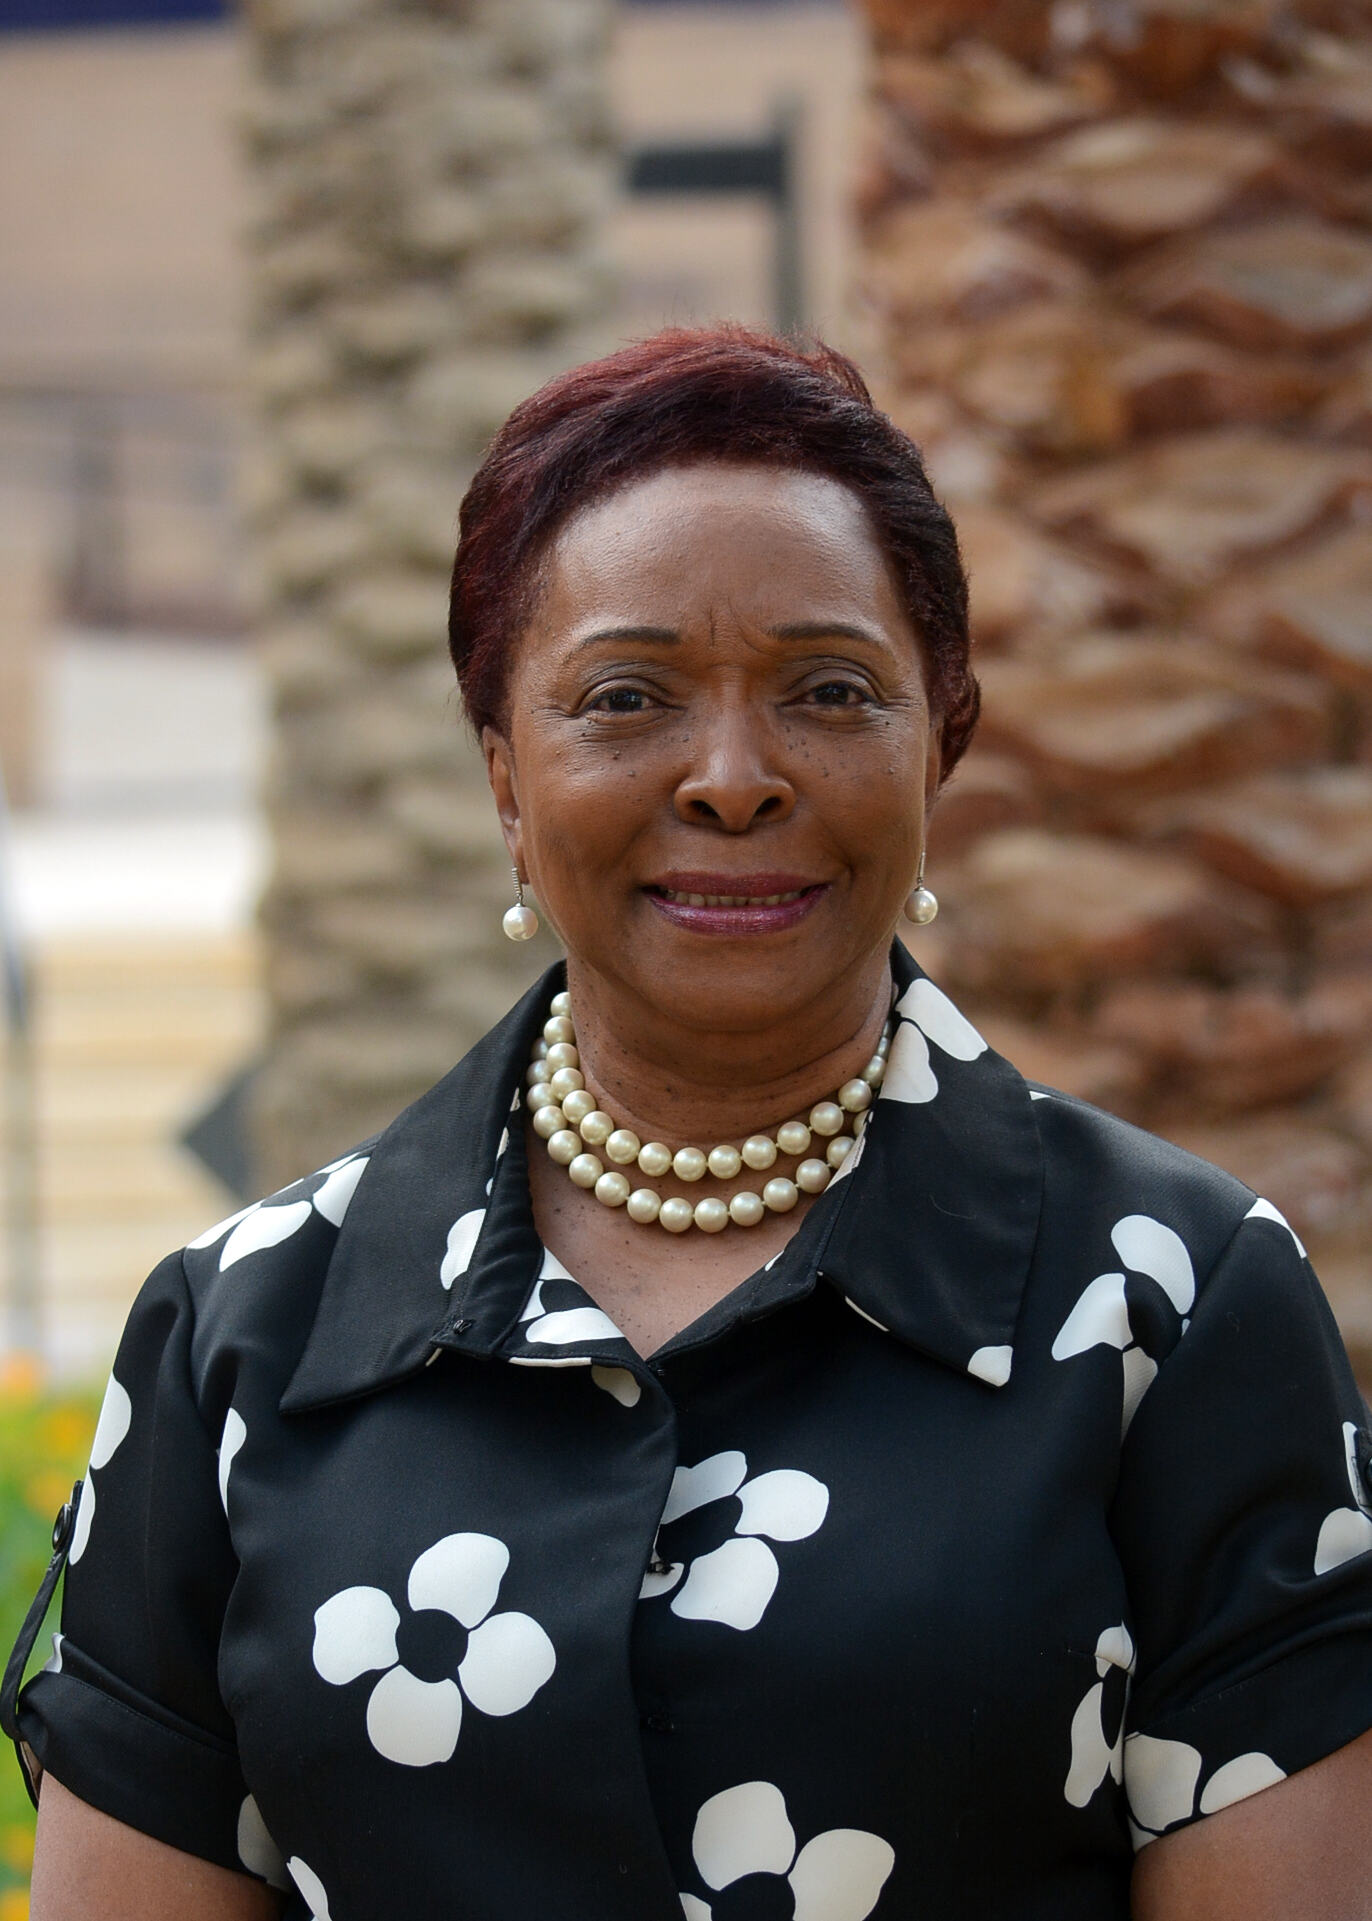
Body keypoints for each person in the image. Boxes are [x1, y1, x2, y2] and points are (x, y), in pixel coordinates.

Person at [9, 328, 1372, 1921]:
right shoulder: (244, 1336)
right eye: (628, 695)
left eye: (830, 689)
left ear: (942, 743)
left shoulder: (1176, 1305)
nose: (733, 776)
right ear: (508, 781)